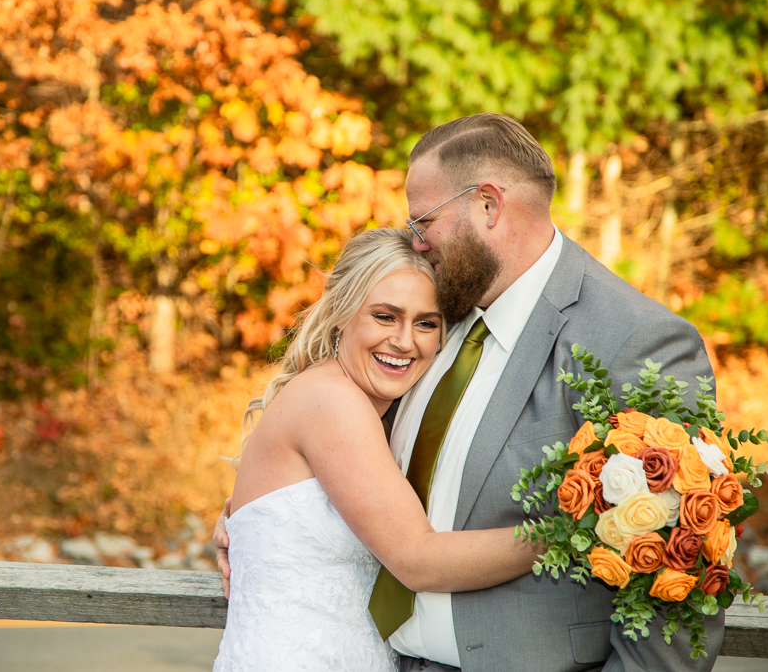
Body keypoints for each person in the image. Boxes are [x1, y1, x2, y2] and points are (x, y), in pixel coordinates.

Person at [216, 114, 724, 671]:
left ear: (487, 205)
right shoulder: (439, 312)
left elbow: (682, 561)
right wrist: (257, 516)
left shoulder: (633, 339)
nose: (415, 238)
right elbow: (351, 467)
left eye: (423, 219)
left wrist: (592, 522)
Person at [212, 228, 541, 672]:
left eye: (426, 323)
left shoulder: (376, 413)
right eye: (385, 316)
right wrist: (569, 537)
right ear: (342, 313)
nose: (405, 341)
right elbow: (417, 560)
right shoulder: (333, 401)